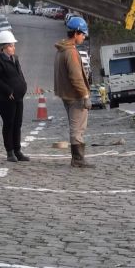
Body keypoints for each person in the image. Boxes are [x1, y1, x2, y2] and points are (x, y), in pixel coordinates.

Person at [54, 15, 93, 169]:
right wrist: (85, 96)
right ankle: (78, 159)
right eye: (83, 34)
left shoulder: (61, 49)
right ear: (76, 33)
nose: (84, 37)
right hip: (75, 96)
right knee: (77, 128)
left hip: (66, 95)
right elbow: (76, 77)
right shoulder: (71, 52)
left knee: (75, 126)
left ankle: (77, 158)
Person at [0, 31, 29, 162]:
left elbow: (19, 74)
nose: (13, 47)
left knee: (18, 123)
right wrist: (8, 90)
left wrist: (23, 86)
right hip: (5, 98)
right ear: (4, 47)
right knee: (9, 123)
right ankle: (10, 152)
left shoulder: (15, 58)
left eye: (13, 45)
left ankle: (18, 150)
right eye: (11, 46)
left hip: (18, 97)